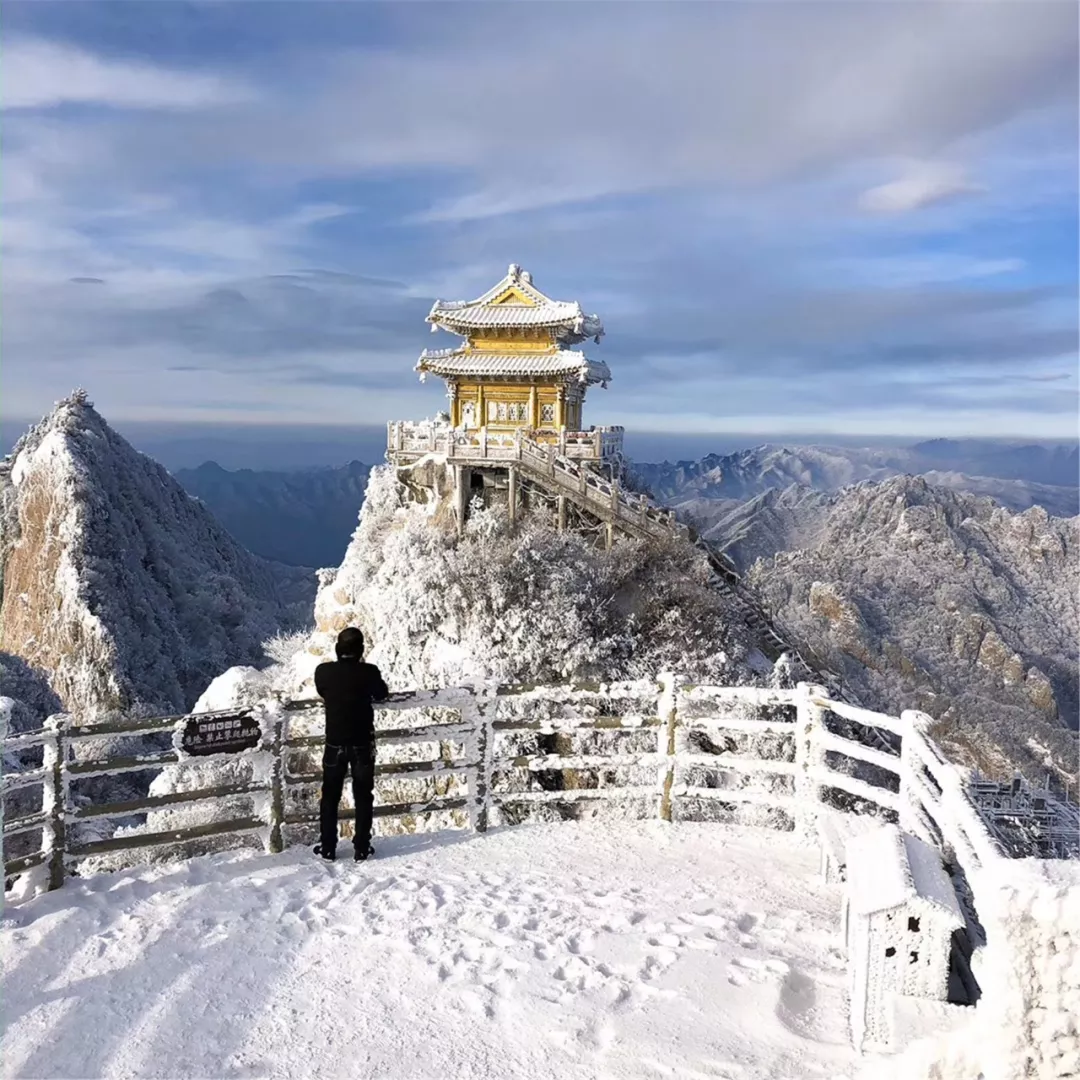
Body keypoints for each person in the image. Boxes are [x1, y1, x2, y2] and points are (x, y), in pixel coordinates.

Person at [313, 627, 389, 862]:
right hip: (362, 744)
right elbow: (382, 694)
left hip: (334, 743)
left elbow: (323, 691)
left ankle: (328, 847)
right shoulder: (369, 672)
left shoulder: (323, 672)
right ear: (360, 651)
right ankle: (361, 847)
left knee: (330, 796)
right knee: (363, 795)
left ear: (338, 649)